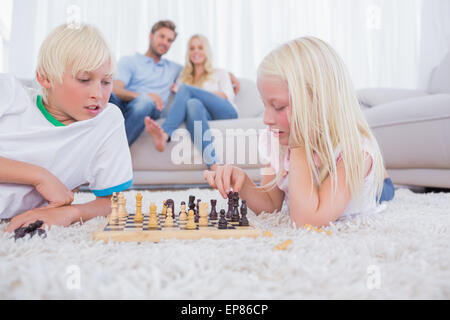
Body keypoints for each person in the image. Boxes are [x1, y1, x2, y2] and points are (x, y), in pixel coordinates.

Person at [203, 37, 395, 228]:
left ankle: (381, 174)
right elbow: (271, 204)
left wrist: (300, 144)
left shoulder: (354, 154)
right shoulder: (278, 140)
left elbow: (308, 222)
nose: (266, 119)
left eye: (278, 106)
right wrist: (244, 183)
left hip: (366, 189)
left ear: (320, 103)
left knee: (383, 191)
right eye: (265, 105)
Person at [0, 24, 133, 232]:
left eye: (106, 82)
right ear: (45, 77)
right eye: (84, 79)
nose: (98, 94)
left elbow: (113, 202)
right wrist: (39, 176)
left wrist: (71, 213)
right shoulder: (8, 93)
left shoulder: (107, 120)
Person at [145, 34, 238, 170]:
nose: (196, 51)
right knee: (192, 103)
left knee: (189, 93)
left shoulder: (220, 73)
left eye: (200, 48)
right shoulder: (183, 78)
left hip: (226, 111)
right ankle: (213, 164)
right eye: (192, 48)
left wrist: (194, 92)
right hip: (203, 115)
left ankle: (165, 133)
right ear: (188, 53)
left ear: (206, 51)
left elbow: (226, 96)